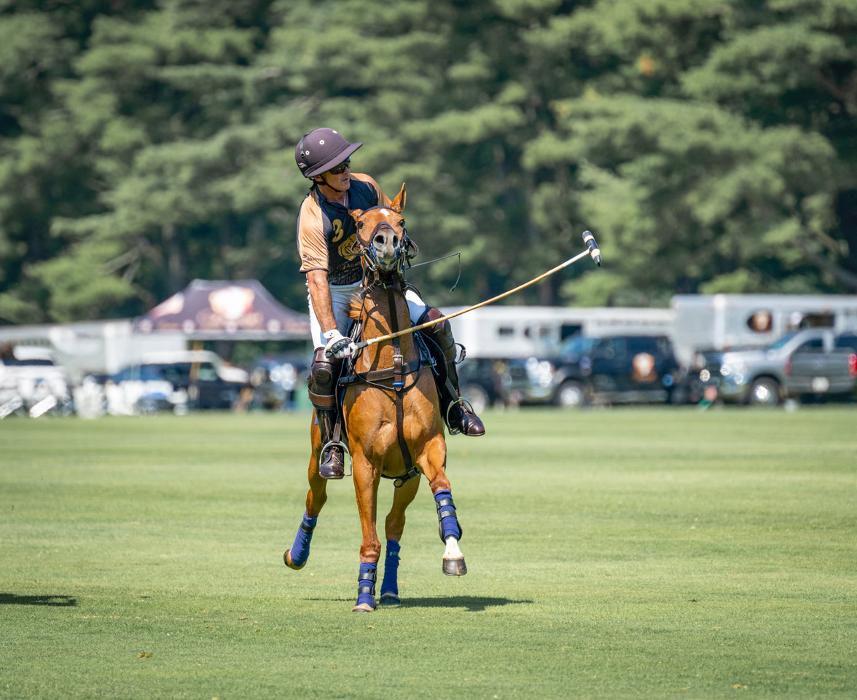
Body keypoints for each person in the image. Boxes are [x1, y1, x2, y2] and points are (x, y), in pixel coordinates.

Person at [294, 127, 485, 479]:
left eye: (346, 162)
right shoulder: (312, 216)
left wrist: (397, 248)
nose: (345, 171)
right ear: (318, 176)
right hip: (334, 291)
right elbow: (316, 279)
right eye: (337, 168)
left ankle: (455, 405)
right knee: (325, 367)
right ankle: (334, 443)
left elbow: (390, 222)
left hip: (378, 282)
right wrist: (333, 333)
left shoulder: (366, 186)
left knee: (437, 323)